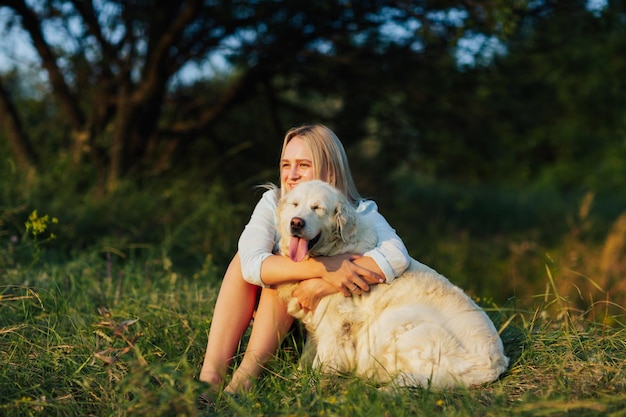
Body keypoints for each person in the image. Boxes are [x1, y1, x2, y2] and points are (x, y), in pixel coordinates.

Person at [199, 124, 410, 395]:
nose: (292, 175)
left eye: (303, 165)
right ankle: (210, 378)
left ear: (330, 171)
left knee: (288, 267)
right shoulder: (274, 201)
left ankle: (246, 378)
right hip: (272, 318)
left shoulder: (360, 212)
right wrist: (324, 268)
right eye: (286, 164)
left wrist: (325, 283)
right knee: (253, 261)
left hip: (330, 325)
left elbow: (397, 255)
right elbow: (251, 264)